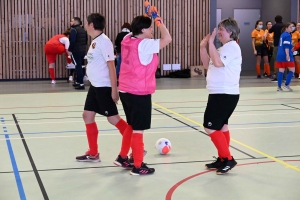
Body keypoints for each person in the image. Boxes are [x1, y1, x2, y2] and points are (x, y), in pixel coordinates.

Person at [116, 1, 172, 175]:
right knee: (138, 129)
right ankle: (138, 166)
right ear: (142, 31)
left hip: (125, 90)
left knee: (131, 125)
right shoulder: (145, 44)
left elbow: (139, 33)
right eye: (149, 29)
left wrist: (149, 18)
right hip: (138, 92)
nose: (152, 31)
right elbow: (167, 38)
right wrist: (158, 19)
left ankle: (122, 157)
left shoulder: (127, 39)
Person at [75, 13, 129, 163]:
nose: (85, 25)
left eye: (86, 23)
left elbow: (111, 66)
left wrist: (114, 89)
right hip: (95, 86)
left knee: (113, 119)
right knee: (87, 116)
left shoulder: (104, 42)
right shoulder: (95, 42)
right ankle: (93, 153)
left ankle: (135, 145)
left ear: (91, 25)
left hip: (104, 87)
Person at [200, 18, 241, 175]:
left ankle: (228, 158)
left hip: (224, 94)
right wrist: (203, 47)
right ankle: (222, 158)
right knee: (222, 126)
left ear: (230, 32)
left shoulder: (231, 47)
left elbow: (217, 63)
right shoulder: (224, 48)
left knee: (209, 126)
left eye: (221, 29)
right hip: (218, 93)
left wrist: (211, 43)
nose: (218, 33)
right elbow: (207, 64)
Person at [69, 17, 88, 90]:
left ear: (75, 22)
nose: (71, 22)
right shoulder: (83, 30)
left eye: (72, 21)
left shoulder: (73, 30)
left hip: (75, 51)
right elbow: (86, 41)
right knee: (79, 65)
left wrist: (70, 49)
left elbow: (72, 41)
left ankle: (81, 84)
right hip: (82, 50)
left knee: (78, 66)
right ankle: (77, 81)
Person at [276, 22, 295, 92]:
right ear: (286, 28)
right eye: (290, 27)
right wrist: (287, 55)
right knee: (292, 70)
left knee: (281, 71)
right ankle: (286, 85)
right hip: (286, 55)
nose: (292, 28)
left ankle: (279, 87)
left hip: (280, 55)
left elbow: (284, 45)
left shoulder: (282, 35)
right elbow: (286, 46)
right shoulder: (288, 35)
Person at [268, 15, 284, 82]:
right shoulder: (284, 25)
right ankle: (284, 76)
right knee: (283, 61)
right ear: (282, 19)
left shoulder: (275, 26)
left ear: (275, 20)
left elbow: (270, 31)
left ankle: (277, 76)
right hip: (283, 45)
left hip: (277, 45)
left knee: (277, 61)